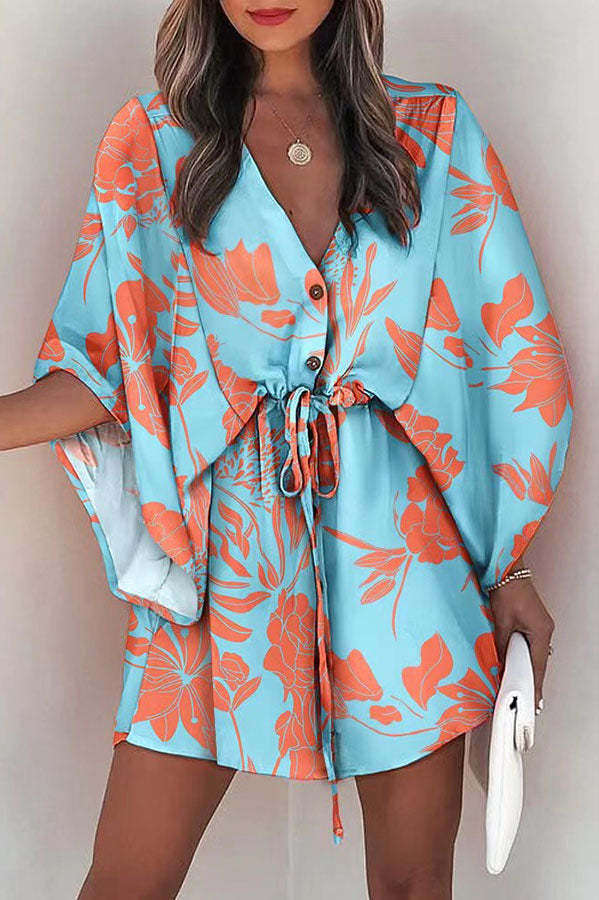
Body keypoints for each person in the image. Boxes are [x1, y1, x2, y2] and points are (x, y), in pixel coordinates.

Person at [1, 1, 574, 897]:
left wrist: (508, 567)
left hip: (403, 564)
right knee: (125, 882)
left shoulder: (433, 133)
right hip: (222, 561)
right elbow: (110, 363)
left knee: (413, 886)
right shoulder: (152, 142)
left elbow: (504, 360)